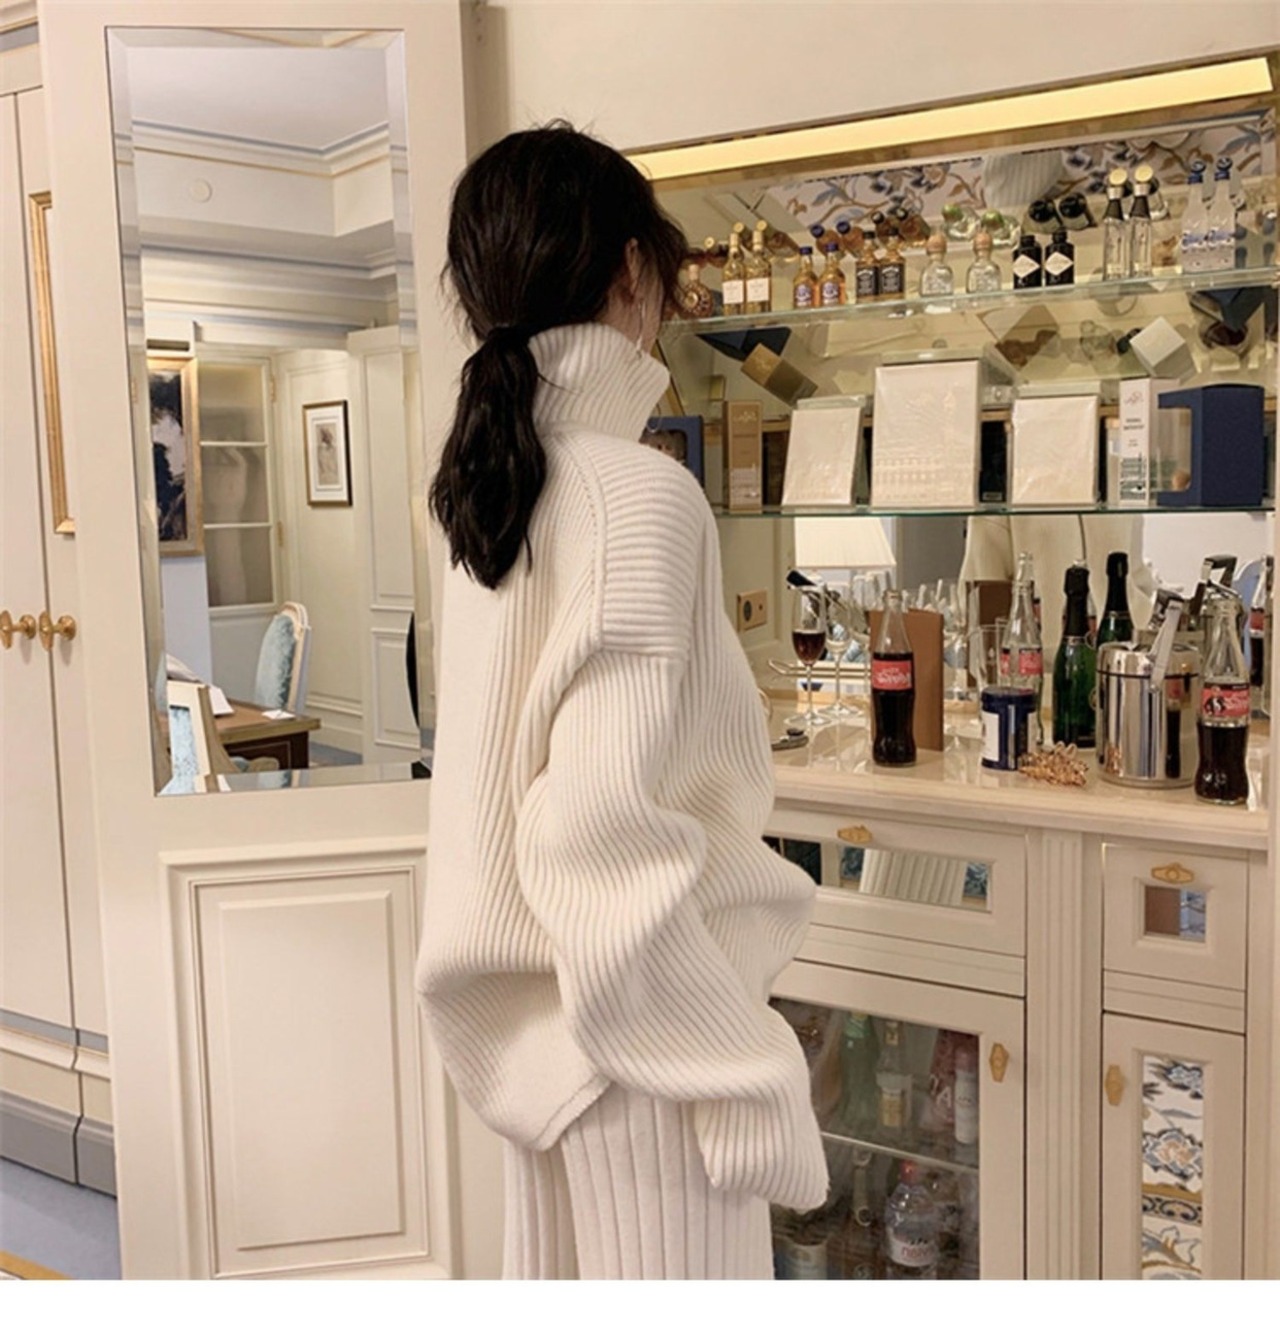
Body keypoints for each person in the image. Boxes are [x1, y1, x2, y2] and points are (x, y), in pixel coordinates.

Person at [414, 123, 827, 1280]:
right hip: (636, 1046)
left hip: (542, 1041)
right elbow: (597, 827)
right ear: (632, 275)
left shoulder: (490, 491)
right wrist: (741, 1067)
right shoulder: (632, 494)